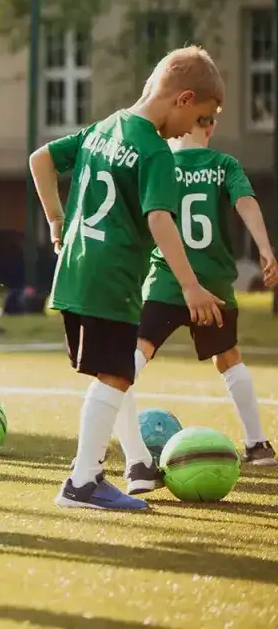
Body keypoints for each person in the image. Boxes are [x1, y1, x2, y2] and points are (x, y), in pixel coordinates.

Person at [30, 46, 225, 511]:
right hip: (112, 278)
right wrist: (190, 285)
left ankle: (100, 473)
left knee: (111, 372)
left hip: (75, 271)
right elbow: (161, 219)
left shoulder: (104, 128)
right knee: (116, 375)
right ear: (183, 98)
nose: (195, 128)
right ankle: (82, 483)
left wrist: (55, 221)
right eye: (202, 116)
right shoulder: (155, 149)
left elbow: (40, 159)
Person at [109, 112, 278, 488]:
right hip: (214, 281)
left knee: (132, 357)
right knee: (229, 357)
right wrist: (265, 247)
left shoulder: (158, 163)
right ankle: (258, 445)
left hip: (168, 280)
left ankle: (119, 446)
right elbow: (246, 202)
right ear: (212, 126)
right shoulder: (224, 165)